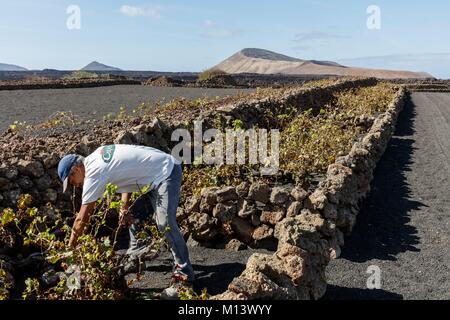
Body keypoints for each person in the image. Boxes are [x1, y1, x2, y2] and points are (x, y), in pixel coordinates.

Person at [57, 144, 194, 299]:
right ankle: (136, 257)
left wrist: (69, 251)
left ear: (76, 170)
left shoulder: (93, 173)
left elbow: (81, 219)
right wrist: (124, 206)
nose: (74, 186)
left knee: (165, 223)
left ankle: (184, 275)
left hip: (166, 172)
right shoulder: (96, 157)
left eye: (71, 181)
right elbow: (127, 174)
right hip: (151, 178)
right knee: (133, 215)